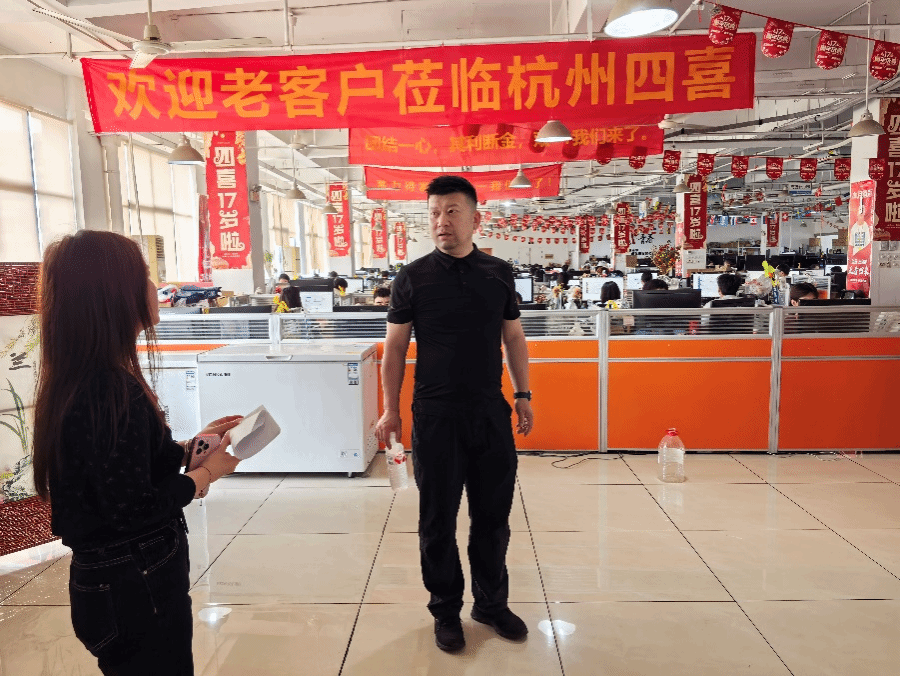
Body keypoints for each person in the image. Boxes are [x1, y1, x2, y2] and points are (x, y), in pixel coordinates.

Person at [31, 231, 242, 675]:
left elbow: (123, 467)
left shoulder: (85, 379)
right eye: (145, 275)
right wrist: (210, 472)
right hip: (133, 583)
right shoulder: (108, 389)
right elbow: (134, 506)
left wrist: (196, 446)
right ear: (114, 294)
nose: (155, 287)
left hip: (113, 581)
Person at [376, 175, 532, 653]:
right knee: (438, 519)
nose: (441, 221)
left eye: (451, 211)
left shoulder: (498, 273)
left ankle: (490, 603)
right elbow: (395, 348)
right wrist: (390, 410)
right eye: (433, 213)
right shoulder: (412, 277)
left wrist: (523, 394)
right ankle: (445, 609)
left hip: (489, 412)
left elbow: (513, 336)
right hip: (435, 415)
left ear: (475, 218)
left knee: (493, 516)